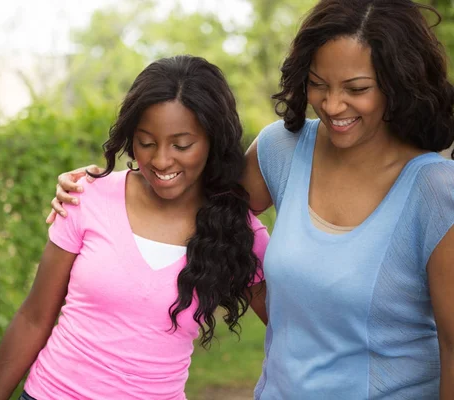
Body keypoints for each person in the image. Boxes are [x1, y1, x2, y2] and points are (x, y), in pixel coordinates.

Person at [50, 1, 454, 398]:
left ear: (400, 82)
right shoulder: (282, 148)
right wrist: (102, 185)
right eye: (317, 84)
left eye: (357, 88)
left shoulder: (435, 191)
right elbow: (195, 194)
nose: (332, 105)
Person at [0, 55, 269, 400]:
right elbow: (34, 317)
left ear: (213, 141)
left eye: (182, 145)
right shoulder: (87, 197)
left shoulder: (236, 231)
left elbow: (297, 331)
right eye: (146, 142)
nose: (161, 160)